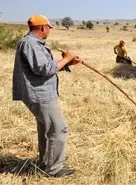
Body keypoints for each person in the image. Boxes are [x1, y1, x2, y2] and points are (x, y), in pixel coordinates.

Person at [12, 14, 80, 177]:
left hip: (39, 93)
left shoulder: (32, 43)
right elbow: (44, 69)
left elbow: (44, 68)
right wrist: (67, 58)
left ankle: (46, 161)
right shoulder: (31, 44)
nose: (49, 30)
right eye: (49, 27)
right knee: (58, 128)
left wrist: (67, 62)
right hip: (40, 94)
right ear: (43, 27)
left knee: (46, 129)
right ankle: (55, 168)